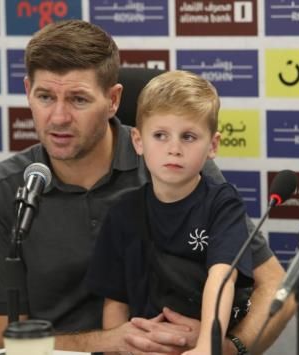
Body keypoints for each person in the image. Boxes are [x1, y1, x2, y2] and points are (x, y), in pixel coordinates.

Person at [0, 19, 295, 354]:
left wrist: (226, 349)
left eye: (78, 100)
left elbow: (275, 286)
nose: (58, 117)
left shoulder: (171, 165)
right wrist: (109, 342)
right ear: (27, 92)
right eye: (44, 97)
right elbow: (3, 337)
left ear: (113, 100)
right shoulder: (0, 192)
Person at [86, 70, 254, 354]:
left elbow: (222, 278)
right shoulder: (122, 212)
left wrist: (206, 347)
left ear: (212, 146)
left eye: (188, 137)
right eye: (160, 135)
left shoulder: (223, 204)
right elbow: (115, 301)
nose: (174, 149)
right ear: (138, 142)